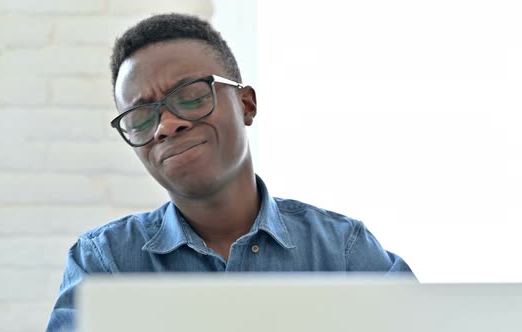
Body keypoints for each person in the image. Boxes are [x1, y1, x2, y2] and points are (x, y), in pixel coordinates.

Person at [46, 13, 415, 331]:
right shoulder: (103, 263)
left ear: (246, 104)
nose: (167, 125)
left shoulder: (341, 251)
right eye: (141, 117)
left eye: (191, 95)